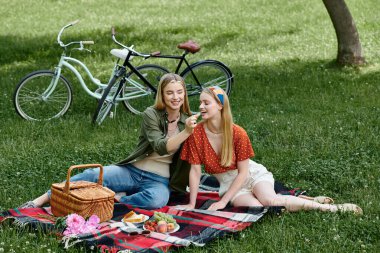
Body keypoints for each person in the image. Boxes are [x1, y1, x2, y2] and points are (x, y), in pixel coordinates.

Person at [19, 73, 200, 210]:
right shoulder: (151, 114)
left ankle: (116, 198)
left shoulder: (190, 120)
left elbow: (211, 141)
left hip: (159, 180)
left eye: (179, 92)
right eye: (169, 93)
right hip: (133, 170)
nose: (175, 97)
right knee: (91, 175)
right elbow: (160, 147)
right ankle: (43, 199)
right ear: (162, 94)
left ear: (184, 94)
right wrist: (185, 132)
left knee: (157, 200)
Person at [178, 86, 362, 215]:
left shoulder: (237, 133)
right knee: (259, 208)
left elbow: (243, 172)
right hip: (227, 185)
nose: (200, 106)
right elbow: (194, 171)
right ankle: (307, 200)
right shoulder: (196, 134)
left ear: (220, 106)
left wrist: (223, 202)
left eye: (206, 103)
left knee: (270, 202)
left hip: (251, 175)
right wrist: (191, 203)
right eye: (200, 102)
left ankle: (333, 209)